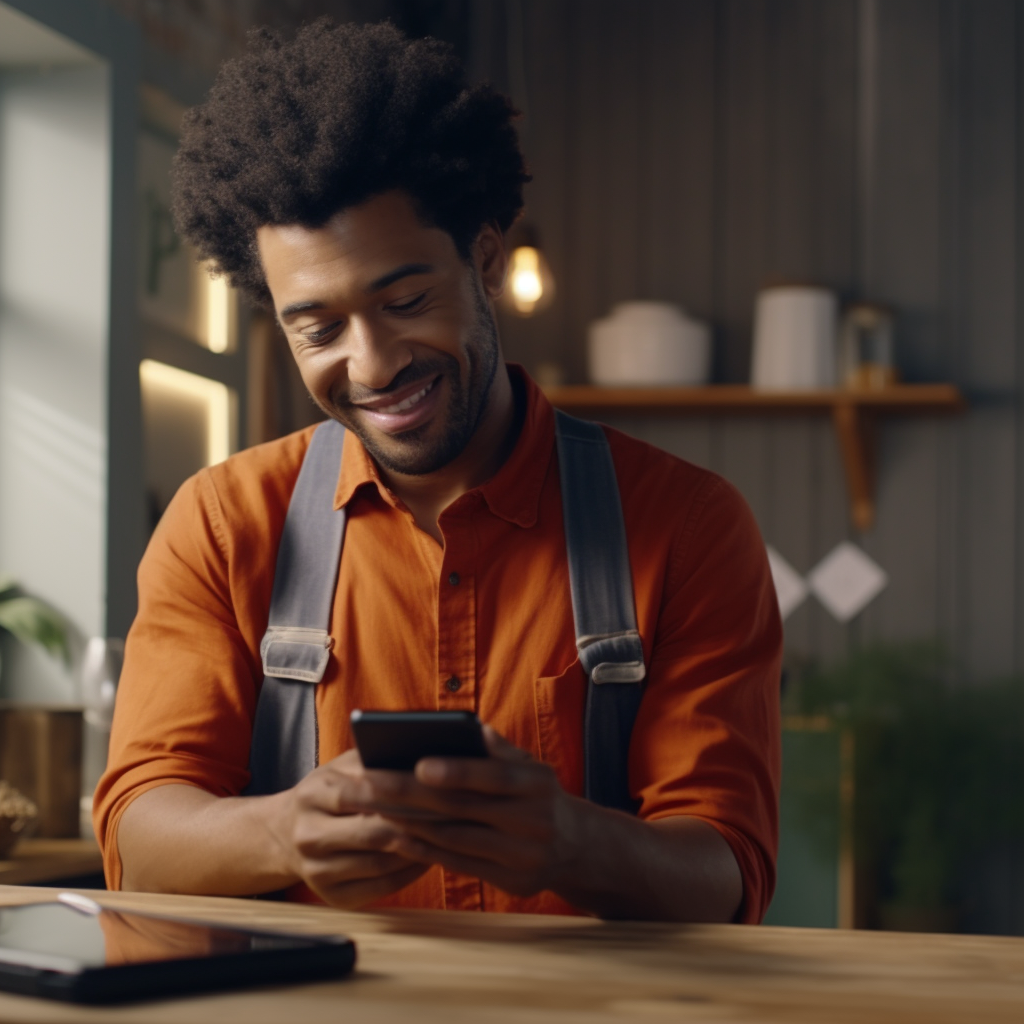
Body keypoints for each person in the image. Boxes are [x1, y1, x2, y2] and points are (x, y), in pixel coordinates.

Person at [94, 20, 782, 923]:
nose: (372, 363)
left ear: (486, 260)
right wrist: (282, 833)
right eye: (319, 328)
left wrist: (572, 843)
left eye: (405, 300)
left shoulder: (689, 524)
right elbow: (136, 843)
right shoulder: (221, 526)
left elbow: (728, 874)